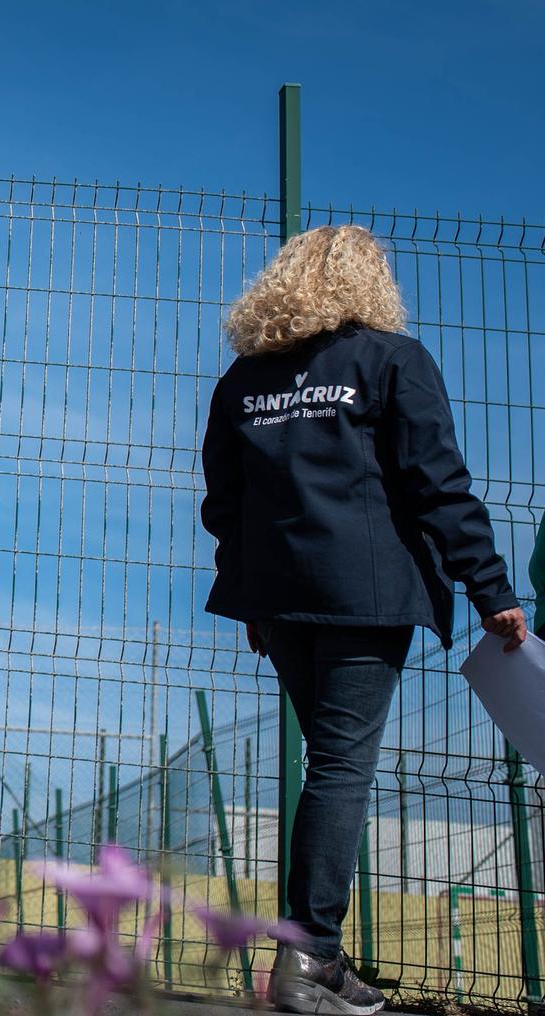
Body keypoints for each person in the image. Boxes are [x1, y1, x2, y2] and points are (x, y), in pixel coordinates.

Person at [200, 224, 529, 1014]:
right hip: (365, 594)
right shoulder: (392, 361)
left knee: (329, 768)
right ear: (369, 282)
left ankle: (323, 957)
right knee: (341, 770)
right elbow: (437, 483)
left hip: (279, 600)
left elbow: (225, 503)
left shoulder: (243, 381)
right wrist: (491, 589)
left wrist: (246, 592)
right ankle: (309, 954)